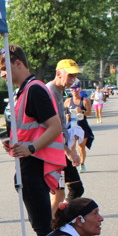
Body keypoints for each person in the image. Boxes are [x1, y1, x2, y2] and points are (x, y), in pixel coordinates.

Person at [0, 45, 66, 236]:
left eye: (4, 68)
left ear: (18, 63)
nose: (2, 74)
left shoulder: (33, 90)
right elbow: (33, 127)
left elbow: (55, 127)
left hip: (36, 165)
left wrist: (31, 147)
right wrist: (15, 142)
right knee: (42, 225)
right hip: (30, 163)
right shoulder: (25, 90)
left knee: (42, 227)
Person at [46, 59, 84, 213]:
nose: (73, 80)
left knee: (62, 193)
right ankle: (51, 222)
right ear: (58, 73)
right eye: (70, 75)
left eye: (75, 76)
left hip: (60, 149)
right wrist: (68, 152)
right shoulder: (49, 92)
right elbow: (51, 128)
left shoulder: (59, 91)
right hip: (55, 151)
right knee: (70, 191)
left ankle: (55, 220)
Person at [64, 84, 94, 171]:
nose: (75, 91)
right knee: (72, 146)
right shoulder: (68, 101)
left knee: (81, 146)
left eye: (76, 89)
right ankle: (74, 163)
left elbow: (89, 113)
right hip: (72, 126)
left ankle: (82, 164)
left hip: (82, 125)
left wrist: (82, 112)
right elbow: (64, 112)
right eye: (72, 89)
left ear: (80, 89)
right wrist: (67, 116)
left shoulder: (85, 100)